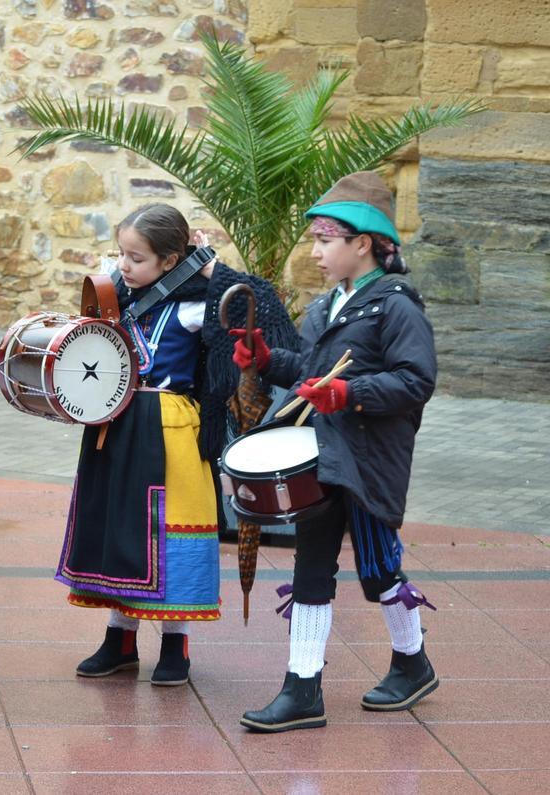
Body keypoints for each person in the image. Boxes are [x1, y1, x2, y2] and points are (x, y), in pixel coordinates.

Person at [56, 204, 298, 685]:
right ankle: (119, 639)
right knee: (121, 535)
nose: (124, 265)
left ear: (170, 261)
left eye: (137, 258)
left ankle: (174, 645)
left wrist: (210, 265)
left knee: (170, 537)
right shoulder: (114, 293)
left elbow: (262, 306)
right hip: (116, 427)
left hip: (173, 431)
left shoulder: (197, 304)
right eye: (121, 254)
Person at [238, 171, 438, 733]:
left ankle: (411, 660)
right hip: (324, 455)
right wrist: (264, 359)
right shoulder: (325, 309)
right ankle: (303, 688)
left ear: (364, 244)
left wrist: (352, 392)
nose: (316, 251)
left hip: (369, 457)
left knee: (379, 570)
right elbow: (308, 373)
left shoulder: (396, 308)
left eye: (326, 240)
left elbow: (416, 380)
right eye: (316, 239)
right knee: (312, 567)